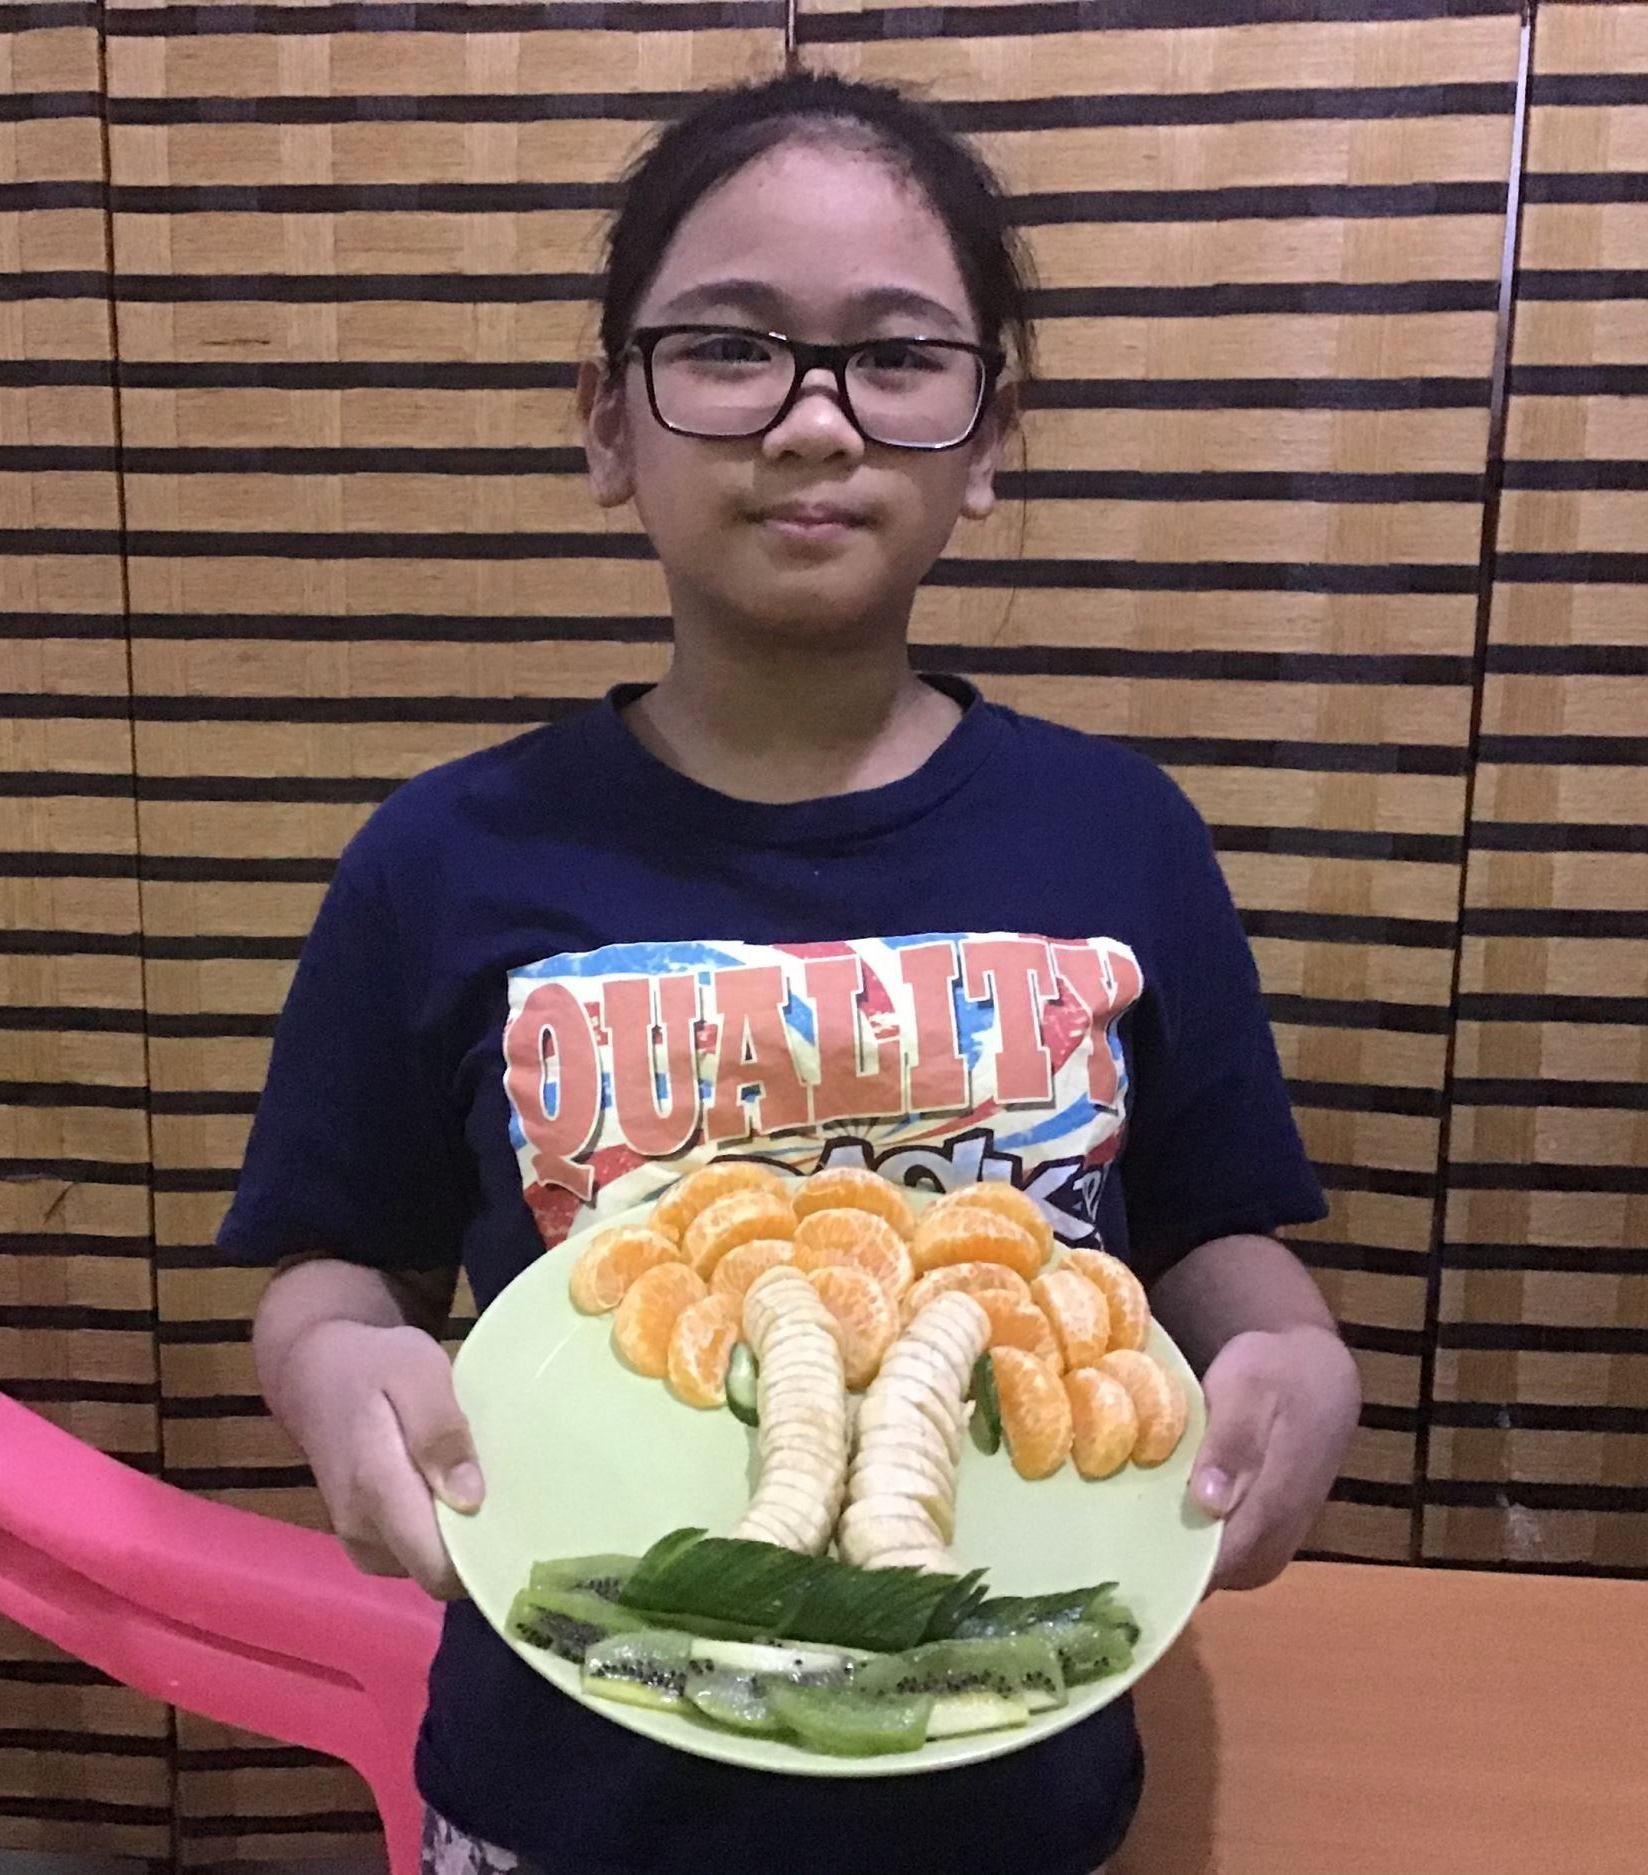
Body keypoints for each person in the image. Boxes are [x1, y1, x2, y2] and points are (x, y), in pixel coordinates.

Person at [226, 69, 1364, 1875]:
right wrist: (331, 1362)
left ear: (990, 436)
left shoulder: (1122, 835)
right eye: (730, 349)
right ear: (609, 423)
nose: (815, 421)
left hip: (1010, 1777)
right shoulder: (442, 858)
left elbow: (1216, 1235)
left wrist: (1295, 1358)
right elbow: (335, 1262)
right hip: (564, 1791)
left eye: (896, 358)